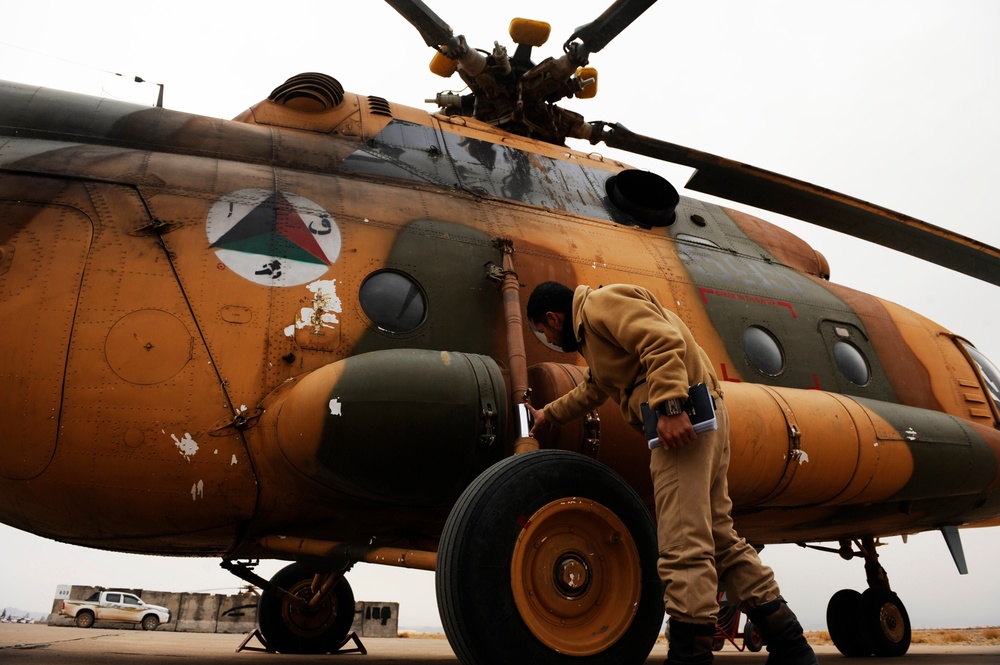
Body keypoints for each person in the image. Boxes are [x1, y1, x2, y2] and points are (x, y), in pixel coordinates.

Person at [526, 281, 817, 665]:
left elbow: (661, 341)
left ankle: (690, 656)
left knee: (683, 541)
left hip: (683, 424)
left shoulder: (600, 304)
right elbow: (594, 389)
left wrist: (669, 407)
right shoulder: (594, 335)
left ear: (553, 317)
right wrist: (549, 414)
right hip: (701, 416)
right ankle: (792, 646)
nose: (547, 338)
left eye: (543, 331)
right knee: (718, 538)